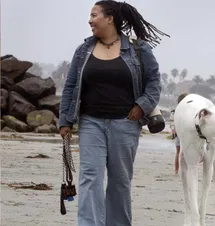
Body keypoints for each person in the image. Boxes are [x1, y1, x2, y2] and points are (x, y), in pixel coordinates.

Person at [58, 1, 169, 225]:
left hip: (125, 125)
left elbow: (154, 83)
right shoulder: (83, 51)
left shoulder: (139, 49)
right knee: (90, 178)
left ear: (109, 18)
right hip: (91, 123)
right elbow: (70, 86)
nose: (90, 20)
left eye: (94, 15)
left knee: (120, 181)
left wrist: (142, 107)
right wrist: (65, 120)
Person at [171, 93, 189, 174]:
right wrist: (173, 130)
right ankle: (177, 169)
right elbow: (172, 122)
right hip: (179, 133)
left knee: (186, 151)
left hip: (187, 133)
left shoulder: (189, 110)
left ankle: (184, 169)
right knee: (179, 151)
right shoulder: (176, 111)